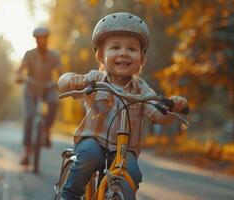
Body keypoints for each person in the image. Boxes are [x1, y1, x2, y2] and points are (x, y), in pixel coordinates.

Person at [57, 12, 188, 199]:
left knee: (132, 174)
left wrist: (173, 106)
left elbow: (159, 116)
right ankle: (68, 195)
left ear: (142, 59)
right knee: (89, 158)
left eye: (132, 49)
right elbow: (62, 82)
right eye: (115, 47)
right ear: (101, 55)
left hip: (124, 150)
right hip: (93, 140)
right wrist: (72, 80)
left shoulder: (142, 90)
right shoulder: (95, 79)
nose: (124, 53)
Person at [16, 27, 62, 165]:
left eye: (44, 39)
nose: (41, 41)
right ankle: (26, 151)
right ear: (35, 40)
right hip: (31, 89)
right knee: (29, 116)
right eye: (38, 39)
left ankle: (46, 129)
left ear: (47, 40)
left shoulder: (54, 55)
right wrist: (20, 78)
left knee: (54, 102)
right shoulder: (29, 55)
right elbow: (20, 71)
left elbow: (61, 73)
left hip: (47, 88)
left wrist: (60, 81)